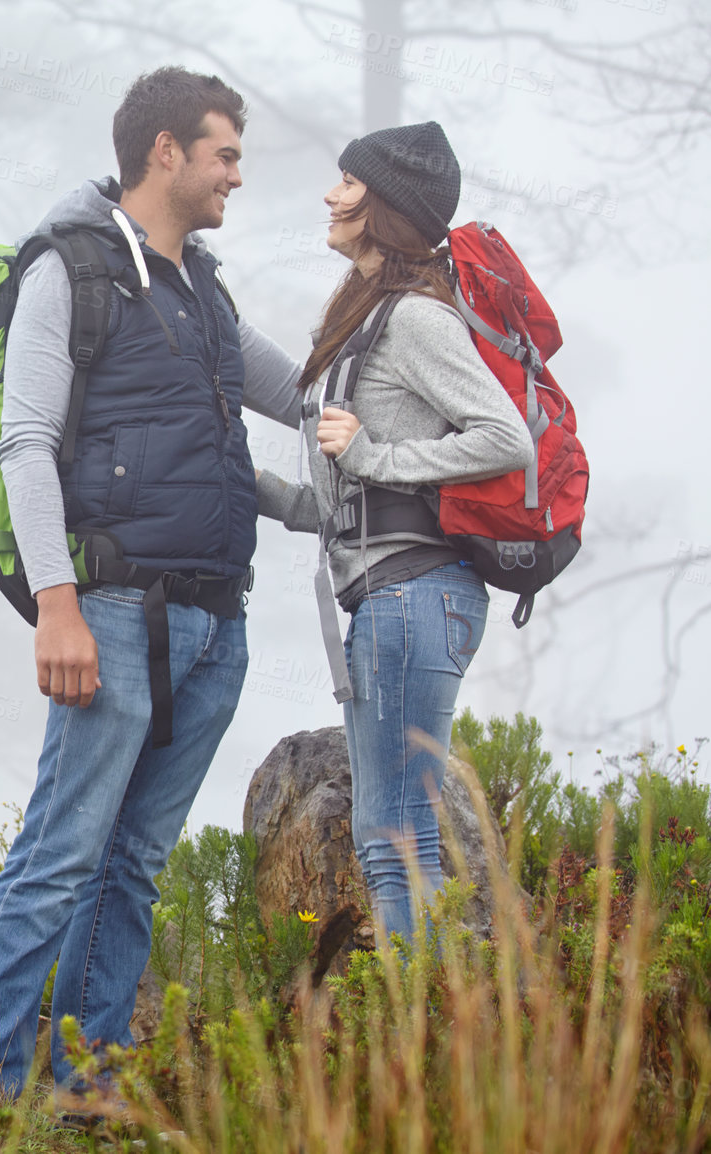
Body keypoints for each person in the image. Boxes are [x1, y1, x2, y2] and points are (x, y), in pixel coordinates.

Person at [0, 66, 307, 1108]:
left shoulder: (204, 291)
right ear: (165, 152)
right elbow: (26, 440)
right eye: (224, 152)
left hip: (212, 624)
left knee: (131, 864)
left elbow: (295, 391)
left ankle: (86, 1080)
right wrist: (55, 602)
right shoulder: (71, 271)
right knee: (59, 855)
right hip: (107, 612)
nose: (238, 173)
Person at [254, 121, 533, 944]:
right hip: (390, 597)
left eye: (349, 182)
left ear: (386, 207)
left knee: (394, 836)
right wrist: (265, 491)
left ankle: (421, 1040)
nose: (332, 195)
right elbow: (351, 500)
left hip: (415, 596)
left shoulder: (414, 318)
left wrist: (376, 451)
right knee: (389, 834)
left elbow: (505, 436)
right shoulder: (363, 318)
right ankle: (422, 1031)